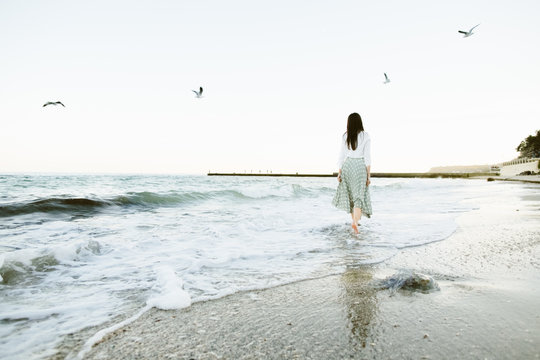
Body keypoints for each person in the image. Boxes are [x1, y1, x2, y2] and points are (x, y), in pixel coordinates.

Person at [332, 112, 373, 234]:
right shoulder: (365, 136)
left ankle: (355, 221)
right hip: (360, 166)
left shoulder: (345, 136)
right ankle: (355, 222)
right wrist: (368, 175)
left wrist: (340, 172)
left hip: (348, 166)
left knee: (350, 195)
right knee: (358, 196)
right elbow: (367, 157)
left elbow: (341, 156)